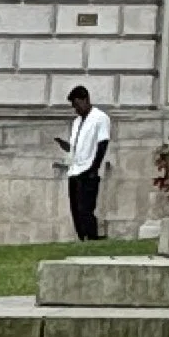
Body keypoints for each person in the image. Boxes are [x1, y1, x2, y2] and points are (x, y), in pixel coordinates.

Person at [58, 84, 111, 241]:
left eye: (77, 104)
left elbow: (102, 144)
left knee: (86, 207)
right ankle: (81, 236)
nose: (76, 109)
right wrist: (66, 147)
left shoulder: (100, 118)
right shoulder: (76, 122)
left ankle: (91, 235)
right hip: (75, 169)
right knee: (75, 207)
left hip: (88, 169)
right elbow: (77, 147)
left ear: (85, 100)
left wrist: (94, 168)